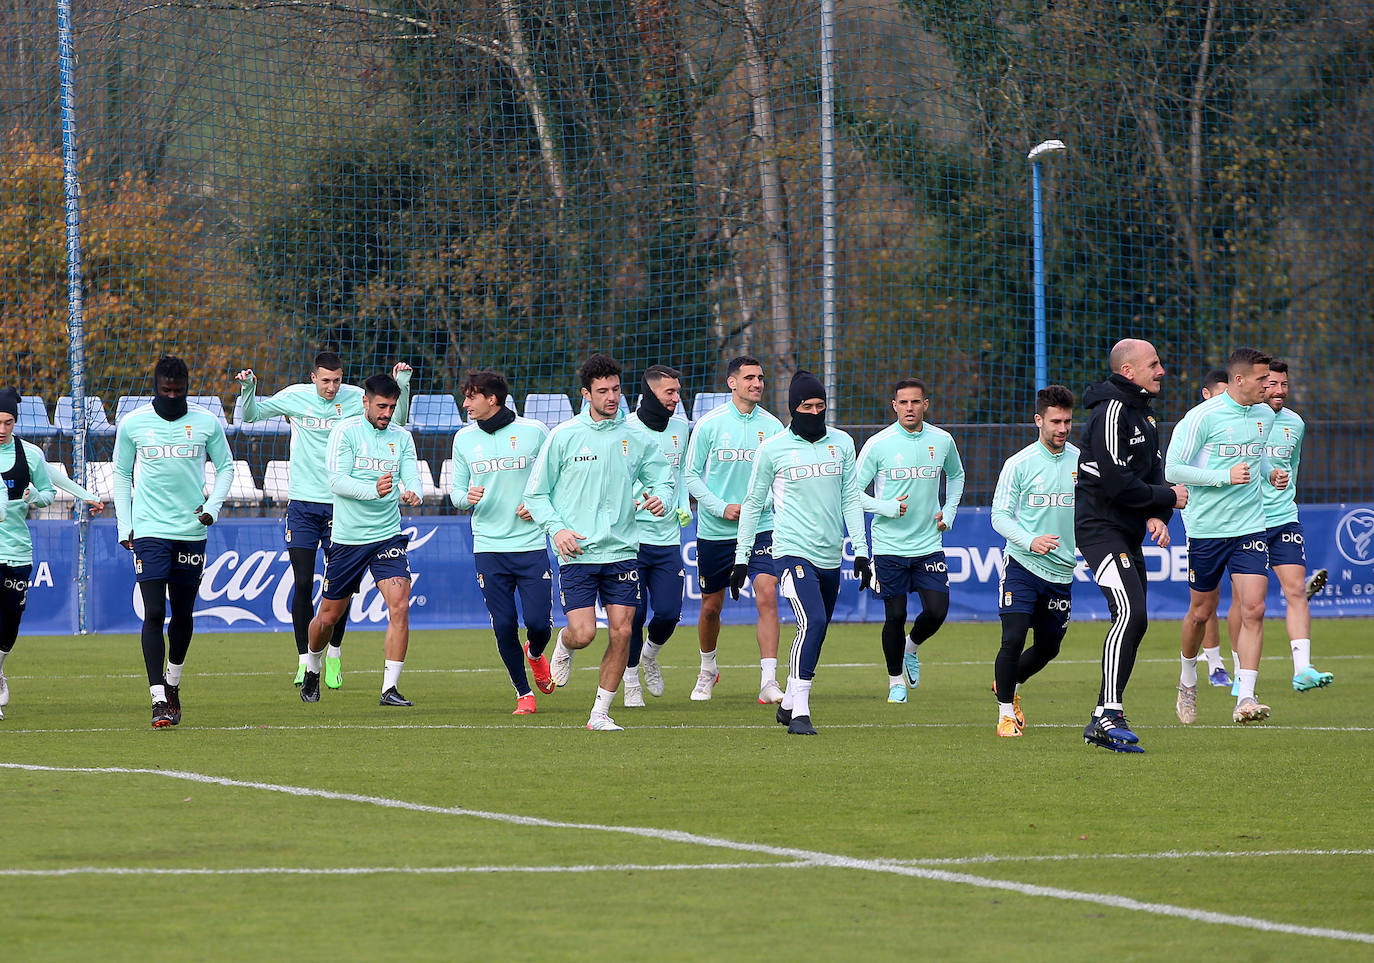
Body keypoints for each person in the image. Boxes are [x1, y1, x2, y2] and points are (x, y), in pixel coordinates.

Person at [235, 354, 412, 689]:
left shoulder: (355, 400)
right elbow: (251, 415)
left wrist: (401, 384)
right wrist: (249, 388)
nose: (332, 387)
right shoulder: (294, 396)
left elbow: (394, 421)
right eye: (325, 380)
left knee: (340, 590)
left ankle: (334, 653)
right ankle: (306, 661)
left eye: (337, 380)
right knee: (302, 581)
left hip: (343, 506)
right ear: (313, 377)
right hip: (302, 502)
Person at [523, 354, 673, 731]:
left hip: (623, 552)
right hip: (577, 552)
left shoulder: (636, 438)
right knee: (585, 634)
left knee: (623, 630)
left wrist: (661, 498)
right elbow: (536, 495)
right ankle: (564, 644)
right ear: (585, 394)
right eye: (602, 391)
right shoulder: (564, 436)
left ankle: (600, 714)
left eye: (616, 389)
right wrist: (557, 530)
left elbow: (665, 482)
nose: (611, 397)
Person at [735, 371, 868, 736]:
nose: (814, 411)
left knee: (817, 630)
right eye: (807, 406)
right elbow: (751, 504)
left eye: (820, 405)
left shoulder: (842, 443)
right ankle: (800, 713)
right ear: (793, 408)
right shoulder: (773, 448)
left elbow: (851, 498)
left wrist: (861, 550)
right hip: (791, 551)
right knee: (814, 622)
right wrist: (741, 558)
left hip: (830, 555)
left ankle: (790, 699)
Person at [1075, 339, 1185, 752]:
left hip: (1126, 531)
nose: (1161, 370)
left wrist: (1158, 513)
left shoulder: (1146, 417)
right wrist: (1166, 498)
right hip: (1099, 529)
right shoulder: (1111, 412)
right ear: (1128, 371)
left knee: (1137, 620)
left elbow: (1152, 473)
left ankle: (1104, 717)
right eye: (1153, 364)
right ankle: (1107, 713)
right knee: (1130, 611)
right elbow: (1117, 482)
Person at [1167, 347, 1286, 726]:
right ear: (1238, 380)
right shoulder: (1201, 418)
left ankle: (1246, 697)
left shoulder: (1265, 415)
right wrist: (1223, 476)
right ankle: (1187, 680)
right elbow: (1173, 468)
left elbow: (1257, 455)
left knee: (1255, 608)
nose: (1268, 386)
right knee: (1201, 613)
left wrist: (1269, 472)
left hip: (1250, 525)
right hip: (1206, 530)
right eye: (1261, 380)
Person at [114, 356, 235, 728]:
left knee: (182, 614)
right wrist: (125, 524)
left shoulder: (206, 422)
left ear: (186, 387)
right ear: (155, 387)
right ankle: (157, 699)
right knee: (153, 613)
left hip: (190, 531)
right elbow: (120, 473)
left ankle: (174, 683)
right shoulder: (133, 424)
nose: (171, 396)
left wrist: (212, 507)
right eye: (165, 390)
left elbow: (227, 466)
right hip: (149, 531)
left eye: (177, 391)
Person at [300, 373, 422, 707]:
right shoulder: (346, 431)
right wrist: (374, 490)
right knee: (328, 617)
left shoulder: (402, 437)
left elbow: (411, 474)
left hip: (387, 536)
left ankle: (389, 688)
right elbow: (336, 481)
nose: (387, 413)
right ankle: (312, 665)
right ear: (365, 402)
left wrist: (414, 492)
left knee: (399, 605)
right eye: (381, 406)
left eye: (392, 407)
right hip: (348, 539)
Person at [450, 369, 553, 715]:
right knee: (504, 623)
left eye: (471, 397)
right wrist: (468, 497)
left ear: (492, 399)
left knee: (539, 624)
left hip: (530, 545)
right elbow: (456, 494)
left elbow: (559, 477)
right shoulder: (463, 439)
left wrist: (538, 505)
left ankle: (536, 654)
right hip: (489, 547)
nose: (465, 404)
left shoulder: (535, 432)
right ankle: (524, 693)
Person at [683, 356, 785, 703]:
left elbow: (780, 480)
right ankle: (708, 668)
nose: (757, 384)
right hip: (716, 530)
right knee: (712, 607)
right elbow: (690, 476)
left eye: (761, 378)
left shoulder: (773, 428)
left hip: (762, 528)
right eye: (750, 378)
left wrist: (762, 504)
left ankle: (769, 681)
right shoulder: (710, 425)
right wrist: (720, 507)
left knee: (767, 595)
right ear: (732, 383)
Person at [856, 378, 965, 704]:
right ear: (894, 406)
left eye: (915, 402)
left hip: (928, 542)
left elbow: (957, 476)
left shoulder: (942, 440)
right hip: (889, 545)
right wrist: (887, 507)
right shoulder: (879, 444)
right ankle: (895, 682)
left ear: (925, 405)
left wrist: (949, 510)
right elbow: (853, 493)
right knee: (895, 615)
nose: (909, 408)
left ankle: (911, 647)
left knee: (937, 610)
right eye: (903, 402)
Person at [0, 388, 103, 721]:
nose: (2, 428)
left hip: (16, 549)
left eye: (8, 422)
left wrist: (36, 496)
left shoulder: (28, 455)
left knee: (10, 622)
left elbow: (48, 488)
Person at [991, 386, 1080, 740]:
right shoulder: (1019, 464)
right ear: (1038, 421)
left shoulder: (1082, 461)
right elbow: (999, 516)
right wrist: (1030, 540)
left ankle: (1008, 684)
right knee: (1012, 638)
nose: (1062, 428)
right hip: (1022, 565)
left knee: (1049, 647)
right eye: (1055, 421)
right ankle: (1005, 714)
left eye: (1068, 421)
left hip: (1061, 571)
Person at [1260, 361, 1334, 693]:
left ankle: (1302, 669)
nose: (1279, 391)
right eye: (1272, 384)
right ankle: (1237, 675)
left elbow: (1291, 466)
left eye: (1284, 384)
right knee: (1249, 604)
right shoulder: (1243, 422)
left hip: (1284, 518)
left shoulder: (1295, 423)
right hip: (1245, 521)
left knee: (1295, 591)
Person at [623, 365, 692, 708]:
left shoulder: (681, 428)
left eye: (678, 392)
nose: (676, 399)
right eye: (670, 392)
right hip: (631, 539)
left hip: (667, 539)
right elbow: (618, 476)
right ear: (650, 394)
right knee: (634, 615)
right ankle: (631, 676)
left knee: (668, 613)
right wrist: (635, 499)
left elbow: (677, 475)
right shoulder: (626, 428)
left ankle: (650, 655)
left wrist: (681, 505)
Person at [1195, 368, 1236, 688]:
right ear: (1207, 395)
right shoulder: (1197, 425)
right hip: (1203, 520)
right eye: (1222, 394)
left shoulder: (1239, 425)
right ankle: (1214, 663)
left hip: (1239, 517)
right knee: (1208, 599)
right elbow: (1176, 470)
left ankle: (1239, 668)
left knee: (1248, 594)